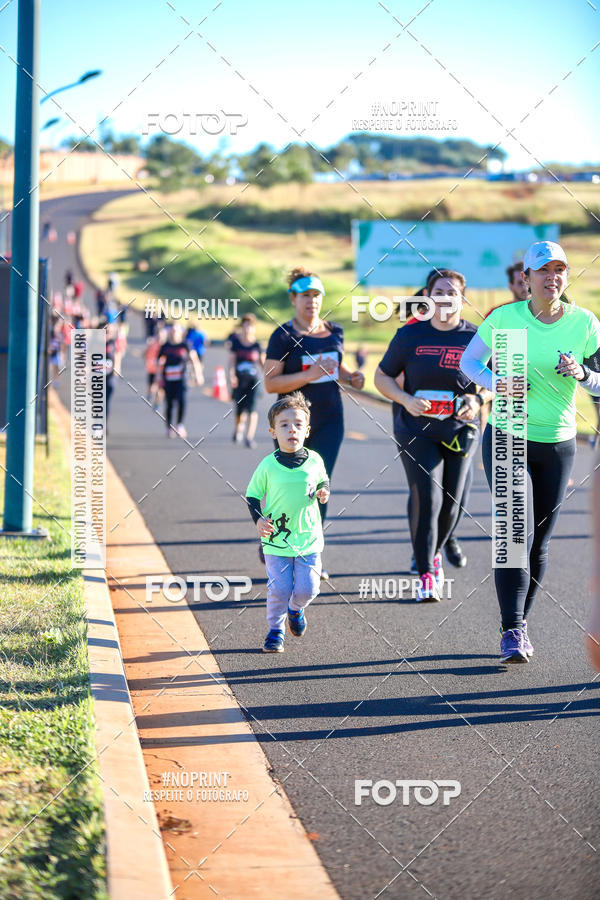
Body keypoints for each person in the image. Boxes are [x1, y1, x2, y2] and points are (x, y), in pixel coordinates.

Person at [460, 240, 600, 663]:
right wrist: (495, 383)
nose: (551, 277)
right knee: (513, 532)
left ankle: (521, 621)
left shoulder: (584, 323)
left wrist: (582, 374)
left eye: (559, 270)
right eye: (543, 270)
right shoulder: (506, 319)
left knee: (538, 543)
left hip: (557, 441)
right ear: (527, 278)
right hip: (507, 433)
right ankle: (512, 629)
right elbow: (469, 364)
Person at [375, 268, 492, 602]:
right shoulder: (410, 336)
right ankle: (427, 572)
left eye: (452, 292)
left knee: (452, 504)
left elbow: (498, 381)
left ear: (462, 298)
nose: (445, 298)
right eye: (439, 292)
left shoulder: (477, 337)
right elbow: (381, 377)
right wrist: (406, 399)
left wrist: (477, 398)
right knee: (428, 499)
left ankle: (436, 551)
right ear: (427, 297)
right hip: (416, 430)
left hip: (461, 430)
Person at [264, 267, 364, 578]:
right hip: (291, 425)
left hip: (331, 419)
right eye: (305, 295)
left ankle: (309, 556)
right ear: (293, 298)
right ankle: (277, 543)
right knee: (288, 486)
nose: (312, 301)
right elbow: (270, 384)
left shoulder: (334, 331)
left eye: (317, 295)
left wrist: (352, 376)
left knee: (318, 485)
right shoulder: (283, 336)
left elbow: (336, 363)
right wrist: (308, 375)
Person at [245, 392, 329, 653]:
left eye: (298, 424)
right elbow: (253, 495)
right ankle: (275, 630)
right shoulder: (267, 466)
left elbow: (323, 480)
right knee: (279, 589)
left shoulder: (315, 460)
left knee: (308, 588)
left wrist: (324, 491)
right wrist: (258, 520)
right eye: (284, 424)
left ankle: (296, 610)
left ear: (307, 431)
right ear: (273, 432)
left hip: (308, 538)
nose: (291, 429)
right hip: (276, 539)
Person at [157, 323, 203, 439]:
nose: (173, 333)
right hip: (168, 379)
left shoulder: (185, 345)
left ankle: (180, 425)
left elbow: (194, 359)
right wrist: (158, 376)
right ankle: (169, 427)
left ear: (180, 333)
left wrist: (198, 374)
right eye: (172, 331)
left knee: (182, 401)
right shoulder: (165, 346)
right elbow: (159, 362)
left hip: (182, 379)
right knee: (170, 403)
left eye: (176, 331)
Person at [228, 313, 264, 448]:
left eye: (250, 326)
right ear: (242, 327)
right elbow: (231, 362)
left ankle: (249, 437)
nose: (248, 328)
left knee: (252, 409)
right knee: (239, 410)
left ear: (254, 328)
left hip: (254, 381)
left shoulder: (257, 345)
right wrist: (232, 376)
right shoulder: (236, 344)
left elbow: (263, 363)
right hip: (239, 381)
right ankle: (238, 429)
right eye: (245, 326)